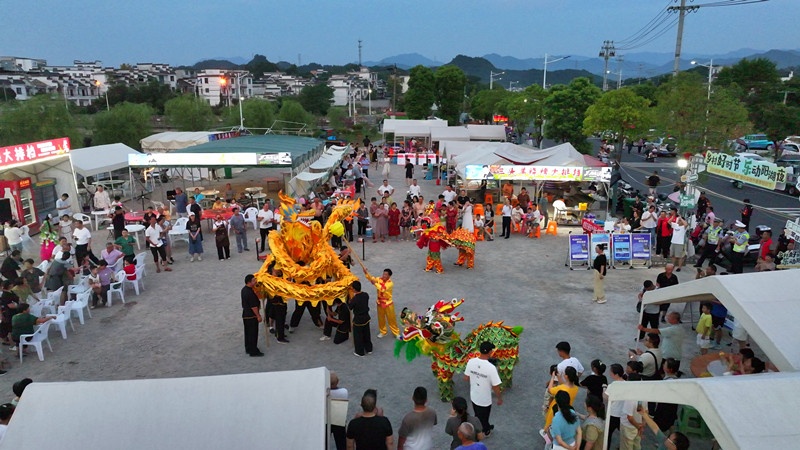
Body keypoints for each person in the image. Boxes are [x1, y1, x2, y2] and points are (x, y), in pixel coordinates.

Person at [463, 341, 503, 437]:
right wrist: (499, 398)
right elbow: (495, 386)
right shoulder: (491, 368)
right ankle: (485, 431)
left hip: (474, 395)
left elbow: (466, 378)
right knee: (484, 417)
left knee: (477, 414)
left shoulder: (471, 361)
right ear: (489, 352)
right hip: (485, 398)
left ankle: (483, 427)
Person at [362, 266, 399, 338]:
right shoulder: (379, 279)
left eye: (386, 274)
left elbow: (383, 289)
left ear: (389, 276)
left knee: (391, 318)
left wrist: (374, 283)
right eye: (383, 274)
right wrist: (366, 273)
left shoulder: (390, 283)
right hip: (379, 302)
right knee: (381, 318)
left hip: (388, 303)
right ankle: (383, 331)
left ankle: (396, 332)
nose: (384, 275)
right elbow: (371, 278)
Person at [544, 366, 579, 430]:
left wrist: (553, 377)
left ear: (566, 376)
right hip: (567, 407)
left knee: (550, 424)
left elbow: (550, 390)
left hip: (556, 407)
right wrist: (560, 378)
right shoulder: (576, 388)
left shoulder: (561, 388)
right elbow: (565, 385)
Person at [265, 262, 289, 344]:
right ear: (273, 270)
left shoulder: (278, 277)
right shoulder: (271, 280)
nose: (279, 270)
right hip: (277, 302)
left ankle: (280, 333)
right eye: (277, 269)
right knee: (279, 319)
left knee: (282, 319)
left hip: (282, 301)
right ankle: (279, 337)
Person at [348, 280, 372, 357]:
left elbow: (350, 307)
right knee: (367, 334)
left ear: (354, 289)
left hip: (358, 320)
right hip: (366, 317)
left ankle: (360, 351)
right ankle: (369, 349)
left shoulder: (354, 299)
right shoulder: (366, 295)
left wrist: (350, 301)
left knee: (358, 336)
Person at [241, 274, 263, 357]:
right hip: (251, 316)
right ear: (249, 282)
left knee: (247, 333)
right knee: (253, 334)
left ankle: (248, 348)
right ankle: (253, 351)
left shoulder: (244, 290)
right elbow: (253, 307)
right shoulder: (250, 293)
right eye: (254, 280)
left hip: (245, 315)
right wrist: (258, 316)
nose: (255, 281)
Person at [329, 372, 348, 450]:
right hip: (339, 420)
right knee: (341, 443)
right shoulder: (344, 392)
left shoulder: (323, 393)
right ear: (338, 381)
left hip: (326, 420)